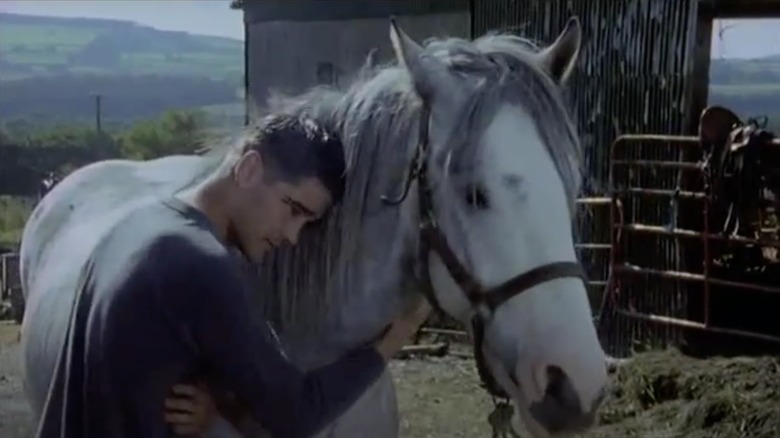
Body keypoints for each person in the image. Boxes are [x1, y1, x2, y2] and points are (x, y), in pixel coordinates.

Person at [35, 113, 431, 438]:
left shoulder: (138, 225)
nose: (292, 236)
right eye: (293, 209)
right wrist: (391, 341)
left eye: (307, 224)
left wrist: (219, 401)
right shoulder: (203, 264)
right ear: (248, 168)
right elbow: (297, 414)